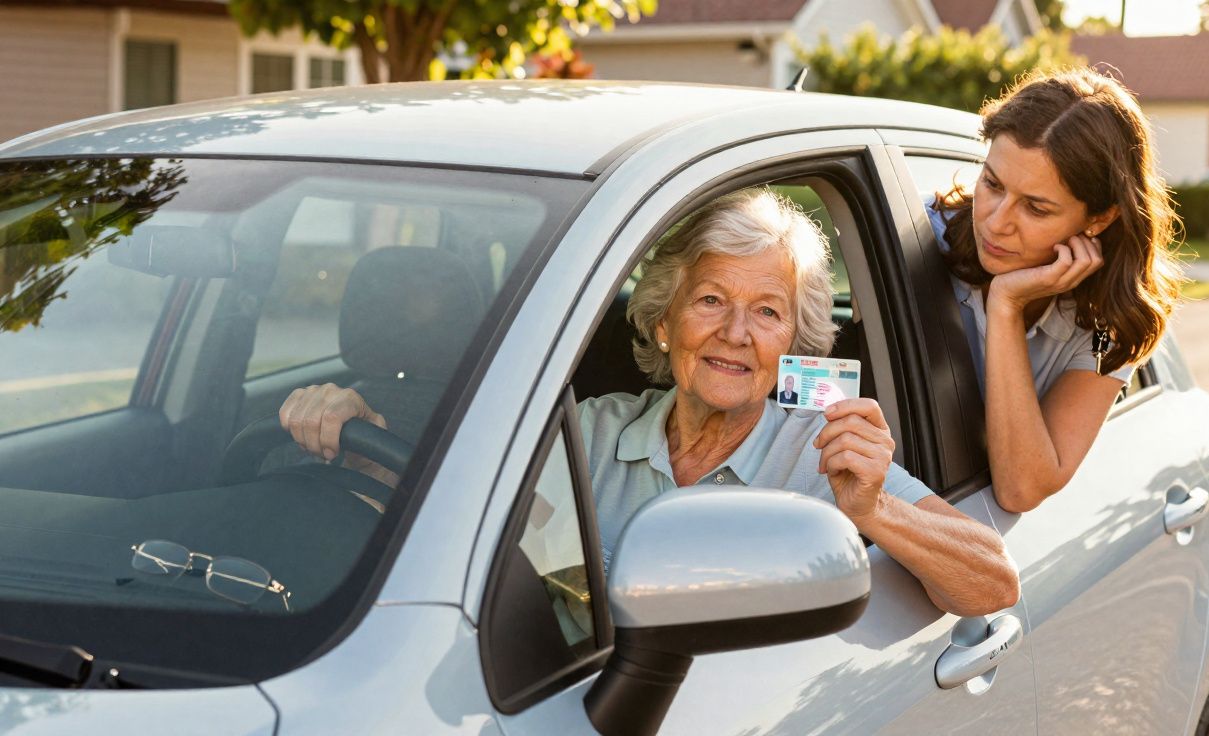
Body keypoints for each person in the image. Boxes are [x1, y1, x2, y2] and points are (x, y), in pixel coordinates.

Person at [279, 189, 1020, 617]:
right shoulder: (589, 433)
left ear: (795, 339)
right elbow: (465, 517)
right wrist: (358, 430)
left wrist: (873, 513)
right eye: (710, 300)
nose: (735, 333)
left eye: (767, 312)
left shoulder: (823, 450)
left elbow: (994, 581)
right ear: (663, 322)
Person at [928, 68, 1185, 514]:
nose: (996, 221)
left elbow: (1022, 488)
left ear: (1098, 220)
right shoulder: (916, 239)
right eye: (992, 184)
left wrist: (1005, 305)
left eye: (1035, 207)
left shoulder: (1109, 328)